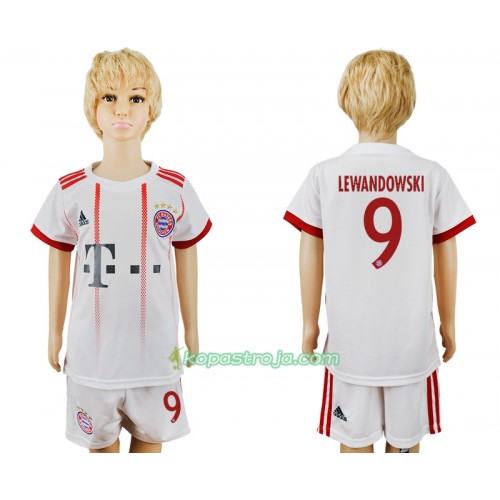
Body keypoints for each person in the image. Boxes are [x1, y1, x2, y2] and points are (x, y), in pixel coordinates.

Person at [283, 50, 475, 453]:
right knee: (405, 449)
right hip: (412, 347)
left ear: (346, 99)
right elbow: (446, 252)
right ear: (408, 102)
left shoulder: (324, 175)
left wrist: (309, 323)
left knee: (354, 448)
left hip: (350, 346)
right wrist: (449, 322)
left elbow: (309, 250)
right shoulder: (432, 175)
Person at [31, 48, 212, 453]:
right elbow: (59, 258)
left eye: (136, 97)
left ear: (151, 108)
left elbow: (187, 253)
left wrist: (193, 329)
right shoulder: (71, 191)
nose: (122, 109)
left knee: (150, 449)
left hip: (155, 359)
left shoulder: (174, 188)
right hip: (92, 362)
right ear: (93, 108)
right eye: (110, 97)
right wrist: (54, 332)